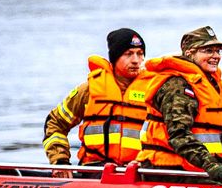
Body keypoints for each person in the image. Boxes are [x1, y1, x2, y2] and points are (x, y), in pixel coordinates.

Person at [136, 26, 222, 186]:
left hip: (198, 168)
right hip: (171, 170)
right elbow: (178, 135)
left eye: (218, 51)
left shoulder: (211, 83)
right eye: (208, 51)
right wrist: (210, 165)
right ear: (190, 53)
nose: (216, 56)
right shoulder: (178, 86)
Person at [42, 28, 150, 174]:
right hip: (94, 171)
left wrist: (147, 161)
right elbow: (55, 123)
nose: (136, 60)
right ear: (115, 57)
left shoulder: (153, 90)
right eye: (128, 54)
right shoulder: (89, 90)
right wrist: (60, 161)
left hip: (140, 172)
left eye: (140, 54)